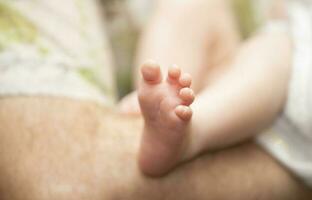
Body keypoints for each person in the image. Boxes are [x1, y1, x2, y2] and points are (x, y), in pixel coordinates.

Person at [0, 0, 311, 199]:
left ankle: (193, 129)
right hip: (250, 65)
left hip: (287, 65)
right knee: (189, 7)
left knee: (278, 55)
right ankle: (157, 107)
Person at [121, 0, 312, 189]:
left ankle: (190, 133)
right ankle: (156, 109)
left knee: (276, 49)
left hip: (289, 98)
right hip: (250, 72)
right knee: (193, 5)